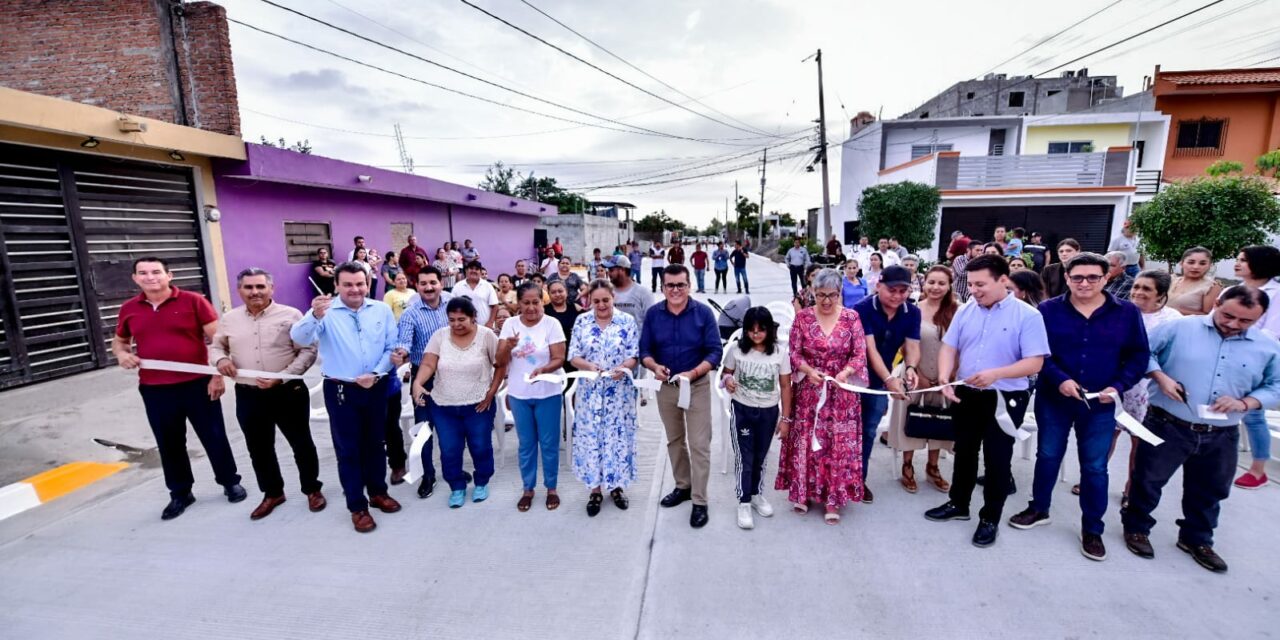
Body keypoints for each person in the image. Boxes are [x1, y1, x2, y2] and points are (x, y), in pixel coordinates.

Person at [1122, 286, 1280, 572]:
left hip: (1222, 432)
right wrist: (1161, 377)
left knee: (1211, 489)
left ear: (1261, 316)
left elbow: (1275, 386)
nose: (1232, 325)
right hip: (1168, 423)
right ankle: (1137, 527)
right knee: (1148, 479)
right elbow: (1141, 352)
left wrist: (1246, 402)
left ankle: (1197, 539)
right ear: (1216, 303)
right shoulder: (1180, 328)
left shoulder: (1267, 346)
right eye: (1227, 315)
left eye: (1245, 321)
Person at [1007, 253, 1150, 562]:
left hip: (1101, 402)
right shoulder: (1047, 310)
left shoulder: (1126, 313)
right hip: (1056, 398)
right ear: (1067, 278)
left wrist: (1118, 386)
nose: (1085, 283)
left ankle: (1092, 528)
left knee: (1095, 466)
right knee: (1047, 455)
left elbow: (1139, 355)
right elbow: (1038, 353)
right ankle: (1039, 507)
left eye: (1093, 278)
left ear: (1106, 277)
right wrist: (1059, 379)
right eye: (1078, 277)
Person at [924, 255, 1049, 548]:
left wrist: (997, 374)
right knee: (964, 451)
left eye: (981, 284)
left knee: (997, 460)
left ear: (1003, 280)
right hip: (967, 393)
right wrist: (944, 376)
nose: (975, 290)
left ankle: (990, 517)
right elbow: (949, 346)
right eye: (971, 284)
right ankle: (959, 504)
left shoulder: (1028, 316)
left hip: (1005, 398)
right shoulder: (967, 311)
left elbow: (1035, 363)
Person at [113, 257, 245, 520]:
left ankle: (230, 481)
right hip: (155, 388)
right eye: (143, 273)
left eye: (156, 272)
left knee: (214, 436)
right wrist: (121, 355)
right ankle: (180, 493)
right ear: (135, 278)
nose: (150, 277)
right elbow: (120, 341)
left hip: (197, 385)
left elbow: (218, 342)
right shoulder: (129, 308)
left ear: (169, 275)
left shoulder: (193, 301)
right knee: (169, 443)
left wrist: (216, 375)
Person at [291, 262, 401, 533]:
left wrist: (376, 372)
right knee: (349, 450)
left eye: (360, 284)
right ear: (337, 286)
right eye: (348, 284)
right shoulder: (324, 312)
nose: (355, 289)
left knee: (376, 443)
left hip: (375, 386)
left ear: (367, 284)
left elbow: (391, 346)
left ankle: (377, 492)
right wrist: (313, 316)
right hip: (341, 389)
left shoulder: (382, 309)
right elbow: (299, 338)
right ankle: (357, 506)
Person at [212, 268, 324, 520]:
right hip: (248, 394)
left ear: (271, 289)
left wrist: (282, 376)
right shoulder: (229, 319)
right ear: (239, 290)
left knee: (301, 443)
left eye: (261, 286)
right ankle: (273, 492)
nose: (255, 292)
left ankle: (312, 489)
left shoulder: (291, 315)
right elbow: (217, 345)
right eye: (249, 287)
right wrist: (219, 360)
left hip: (288, 392)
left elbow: (308, 351)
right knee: (259, 447)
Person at [779, 268, 869, 524]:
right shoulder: (803, 319)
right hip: (810, 391)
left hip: (842, 394)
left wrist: (846, 372)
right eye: (821, 295)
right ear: (812, 294)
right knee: (807, 441)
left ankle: (833, 498)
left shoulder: (852, 318)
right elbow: (794, 353)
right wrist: (808, 370)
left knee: (837, 445)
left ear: (840, 293)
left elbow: (859, 354)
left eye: (832, 295)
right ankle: (803, 492)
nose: (827, 301)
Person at [641, 265, 722, 528]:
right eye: (670, 285)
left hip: (696, 385)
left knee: (699, 444)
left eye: (680, 285)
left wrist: (694, 372)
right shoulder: (653, 314)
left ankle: (699, 500)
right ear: (662, 287)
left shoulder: (704, 313)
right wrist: (654, 367)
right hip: (666, 386)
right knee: (675, 441)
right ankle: (683, 486)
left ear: (689, 285)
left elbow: (714, 352)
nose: (675, 290)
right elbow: (645, 350)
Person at [411, 297, 503, 509]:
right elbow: (428, 362)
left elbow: (500, 365)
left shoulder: (486, 335)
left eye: (462, 319)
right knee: (450, 449)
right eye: (452, 320)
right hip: (444, 405)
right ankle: (457, 486)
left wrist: (491, 392)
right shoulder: (440, 336)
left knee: (480, 447)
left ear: (473, 318)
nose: (456, 324)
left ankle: (481, 482)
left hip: (479, 404)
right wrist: (418, 382)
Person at [1102, 270, 1183, 504]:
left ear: (1161, 294)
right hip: (1116, 383)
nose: (1138, 292)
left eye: (1146, 289)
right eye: (1136, 286)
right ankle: (1095, 477)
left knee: (1140, 441)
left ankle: (1131, 487)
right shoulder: (1120, 311)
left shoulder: (1173, 320)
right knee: (1107, 434)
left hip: (1148, 388)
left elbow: (1170, 355)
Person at [569, 280, 641, 516]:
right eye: (596, 300)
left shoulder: (626, 321)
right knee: (592, 440)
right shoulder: (582, 321)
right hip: (590, 393)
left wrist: (624, 367)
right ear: (590, 301)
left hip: (618, 393)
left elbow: (634, 355)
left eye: (605, 300)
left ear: (613, 298)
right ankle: (595, 490)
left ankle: (617, 487)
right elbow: (573, 356)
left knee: (616, 438)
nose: (601, 305)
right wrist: (588, 365)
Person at [853, 266, 921, 504]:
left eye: (904, 290)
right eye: (892, 289)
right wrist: (891, 380)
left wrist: (911, 368)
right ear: (878, 285)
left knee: (869, 429)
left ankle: (858, 479)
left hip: (880, 383)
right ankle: (836, 478)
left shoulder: (912, 312)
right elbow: (869, 350)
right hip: (853, 378)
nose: (897, 296)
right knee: (844, 429)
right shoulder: (862, 309)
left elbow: (912, 346)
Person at [497, 282, 567, 512]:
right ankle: (528, 488)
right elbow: (499, 360)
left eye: (535, 302)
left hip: (548, 392)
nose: (530, 308)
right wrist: (508, 345)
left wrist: (544, 370)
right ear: (518, 303)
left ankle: (551, 487)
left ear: (542, 302)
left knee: (549, 443)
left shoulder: (551, 324)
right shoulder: (510, 324)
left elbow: (559, 357)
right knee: (526, 444)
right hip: (520, 394)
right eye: (525, 303)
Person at [888, 265, 958, 493]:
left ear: (949, 286)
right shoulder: (910, 311)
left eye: (941, 283)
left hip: (945, 379)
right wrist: (916, 373)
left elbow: (961, 348)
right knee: (912, 421)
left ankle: (933, 467)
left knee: (940, 421)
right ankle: (907, 467)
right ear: (923, 283)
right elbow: (903, 344)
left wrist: (948, 378)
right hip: (915, 376)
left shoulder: (958, 312)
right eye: (931, 282)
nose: (936, 287)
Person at [722, 307, 792, 529]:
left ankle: (755, 494)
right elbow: (726, 373)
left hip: (769, 412)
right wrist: (728, 380)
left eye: (760, 330)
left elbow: (785, 386)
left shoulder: (780, 353)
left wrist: (786, 419)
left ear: (769, 330)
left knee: (761, 457)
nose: (755, 334)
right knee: (745, 458)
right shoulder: (735, 350)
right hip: (743, 410)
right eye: (751, 330)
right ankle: (743, 501)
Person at [391, 266, 451, 499]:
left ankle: (451, 470)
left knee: (451, 428)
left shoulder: (452, 305)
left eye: (433, 282)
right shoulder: (410, 314)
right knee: (424, 429)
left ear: (441, 283)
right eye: (423, 283)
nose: (428, 287)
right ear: (417, 286)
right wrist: (400, 353)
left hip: (454, 375)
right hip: (423, 378)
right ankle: (428, 475)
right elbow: (404, 342)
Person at [1232, 245, 1280, 489]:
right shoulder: (1234, 290)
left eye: (1243, 260)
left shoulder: (1276, 294)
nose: (1237, 263)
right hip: (1225, 357)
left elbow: (1271, 334)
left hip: (1257, 360)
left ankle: (1258, 468)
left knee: (1253, 414)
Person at [1168, 246, 1222, 315]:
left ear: (1210, 266)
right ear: (1181, 263)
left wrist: (1170, 311)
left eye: (1202, 263)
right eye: (1191, 262)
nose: (1196, 267)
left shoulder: (1211, 287)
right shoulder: (1171, 280)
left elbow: (1208, 316)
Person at [452, 260, 500, 329]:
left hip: (485, 327)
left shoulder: (487, 286)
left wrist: (490, 322)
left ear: (480, 272)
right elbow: (452, 307)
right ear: (466, 270)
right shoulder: (457, 286)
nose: (474, 271)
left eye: (477, 269)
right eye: (471, 268)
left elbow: (495, 305)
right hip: (464, 327)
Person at [607, 255, 650, 332]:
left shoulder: (643, 292)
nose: (608, 273)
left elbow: (652, 321)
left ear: (622, 270)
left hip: (636, 342)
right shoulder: (607, 292)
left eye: (611, 270)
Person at [544, 280, 581, 367]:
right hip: (551, 357)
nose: (557, 294)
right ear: (548, 294)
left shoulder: (576, 308)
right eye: (553, 292)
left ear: (566, 292)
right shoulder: (544, 311)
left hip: (573, 357)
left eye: (560, 291)